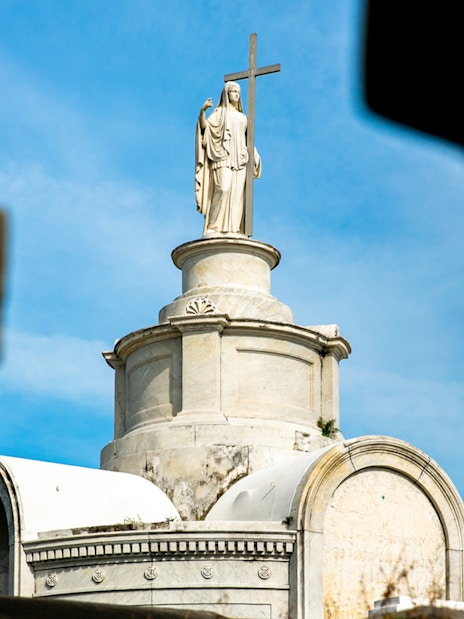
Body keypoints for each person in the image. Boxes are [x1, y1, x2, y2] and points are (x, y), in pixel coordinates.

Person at [195, 81, 261, 235]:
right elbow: (205, 129)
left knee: (237, 195)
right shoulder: (219, 114)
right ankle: (214, 226)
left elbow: (248, 140)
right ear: (226, 94)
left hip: (240, 159)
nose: (236, 95)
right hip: (222, 157)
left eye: (238, 92)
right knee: (223, 189)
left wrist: (255, 154)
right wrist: (202, 112)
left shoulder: (243, 117)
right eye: (233, 91)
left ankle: (234, 228)